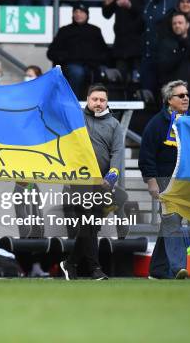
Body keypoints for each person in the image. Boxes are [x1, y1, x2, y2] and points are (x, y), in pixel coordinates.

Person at [60, 84, 123, 281]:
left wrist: (111, 177)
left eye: (102, 100)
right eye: (94, 99)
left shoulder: (114, 124)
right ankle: (95, 269)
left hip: (103, 183)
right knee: (88, 222)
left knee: (91, 227)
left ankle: (70, 263)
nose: (98, 103)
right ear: (88, 99)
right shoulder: (77, 119)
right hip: (80, 181)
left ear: (107, 102)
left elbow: (118, 152)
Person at [139, 80, 190, 279]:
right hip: (165, 180)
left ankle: (157, 270)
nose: (186, 98)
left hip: (189, 181)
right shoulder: (157, 123)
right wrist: (151, 181)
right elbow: (146, 155)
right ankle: (178, 267)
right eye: (181, 95)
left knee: (169, 225)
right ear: (169, 100)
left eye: (187, 94)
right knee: (172, 221)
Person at [46, 2, 109, 99]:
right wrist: (66, 56)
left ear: (87, 14)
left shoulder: (95, 30)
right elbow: (51, 53)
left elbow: (104, 52)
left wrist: (95, 59)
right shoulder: (65, 30)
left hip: (92, 66)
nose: (78, 14)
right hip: (70, 66)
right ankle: (73, 103)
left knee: (103, 72)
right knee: (77, 72)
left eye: (81, 12)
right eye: (76, 11)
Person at [102, 0, 145, 84]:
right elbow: (107, 15)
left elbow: (145, 14)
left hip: (137, 44)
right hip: (120, 43)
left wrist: (130, 5)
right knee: (120, 78)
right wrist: (107, 5)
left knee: (136, 79)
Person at [157, 12, 190, 109]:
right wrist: (180, 53)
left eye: (180, 23)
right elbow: (163, 67)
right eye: (174, 23)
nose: (177, 25)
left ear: (187, 25)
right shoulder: (166, 43)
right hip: (174, 95)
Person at [139, 0, 177, 101]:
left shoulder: (173, 2)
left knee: (164, 95)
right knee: (146, 95)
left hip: (163, 56)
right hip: (147, 54)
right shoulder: (148, 1)